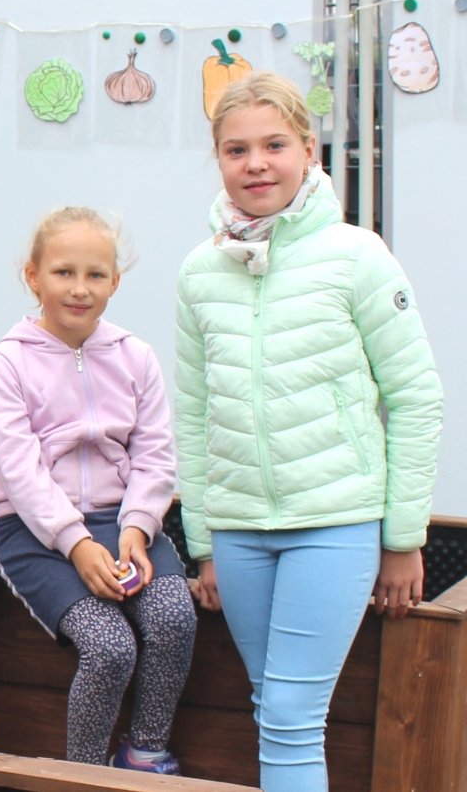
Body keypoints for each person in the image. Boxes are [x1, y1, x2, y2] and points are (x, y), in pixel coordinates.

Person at [177, 72, 441, 792]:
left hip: (335, 521)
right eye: (236, 150)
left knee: (292, 712)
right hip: (238, 532)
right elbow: (193, 411)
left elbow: (417, 398)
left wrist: (403, 537)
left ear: (309, 151)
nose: (255, 163)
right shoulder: (200, 271)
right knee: (272, 709)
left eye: (273, 145)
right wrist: (203, 542)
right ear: (219, 159)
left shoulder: (357, 256)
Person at [0, 208, 195, 771]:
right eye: (63, 273)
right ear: (33, 276)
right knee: (109, 647)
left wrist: (137, 528)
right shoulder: (7, 362)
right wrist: (75, 544)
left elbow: (154, 454)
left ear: (115, 282)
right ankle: (80, 774)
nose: (80, 289)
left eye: (96, 275)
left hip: (123, 524)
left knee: (174, 616)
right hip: (36, 533)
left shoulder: (135, 356)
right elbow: (20, 470)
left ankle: (144, 754)